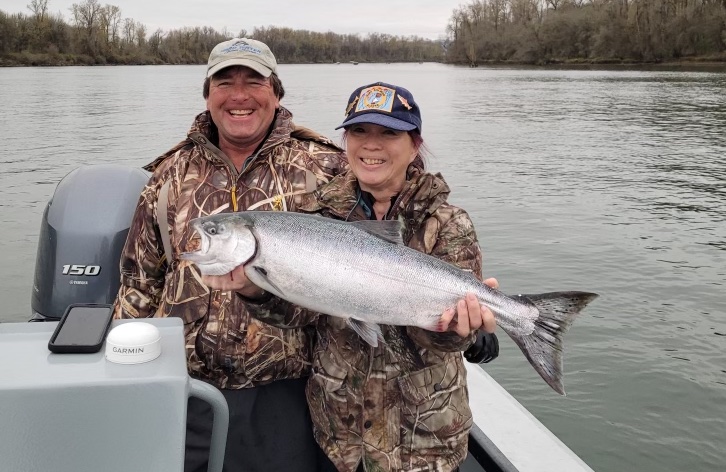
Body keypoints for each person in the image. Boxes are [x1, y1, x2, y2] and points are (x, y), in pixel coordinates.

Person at [202, 82, 500, 472]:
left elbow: (444, 341)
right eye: (359, 132)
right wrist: (253, 291)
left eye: (388, 133)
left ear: (414, 145)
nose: (371, 145)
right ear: (345, 141)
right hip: (340, 438)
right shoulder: (315, 216)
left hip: (422, 440)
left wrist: (459, 331)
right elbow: (300, 317)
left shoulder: (447, 223)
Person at [112, 38, 347, 472]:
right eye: (225, 81)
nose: (238, 95)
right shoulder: (170, 174)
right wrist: (123, 380)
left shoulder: (327, 169)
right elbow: (138, 282)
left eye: (253, 81)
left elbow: (380, 259)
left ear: (276, 92)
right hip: (185, 392)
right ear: (207, 94)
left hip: (289, 395)